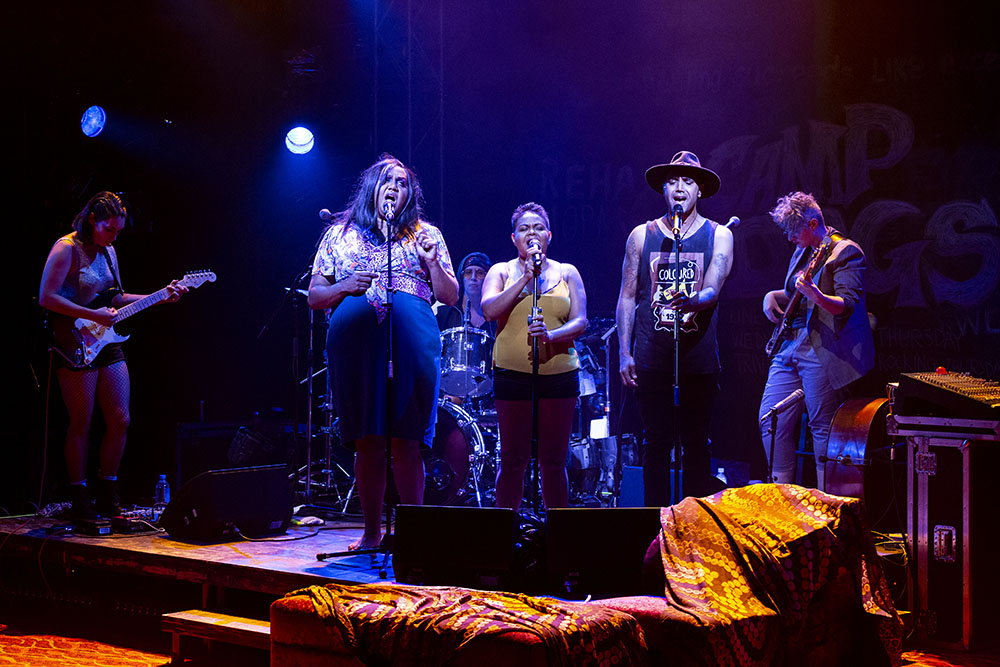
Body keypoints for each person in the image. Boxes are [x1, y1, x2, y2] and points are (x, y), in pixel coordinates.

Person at [308, 154, 458, 550]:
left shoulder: (426, 234)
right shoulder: (339, 235)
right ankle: (372, 532)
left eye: (405, 183)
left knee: (408, 440)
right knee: (368, 439)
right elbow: (315, 295)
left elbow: (450, 295)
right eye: (390, 180)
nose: (397, 187)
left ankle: (416, 534)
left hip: (413, 344)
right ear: (373, 187)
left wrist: (433, 264)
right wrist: (344, 287)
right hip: (356, 349)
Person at [39, 191, 188, 521]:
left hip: (106, 340)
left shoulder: (109, 250)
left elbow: (115, 297)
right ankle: (80, 496)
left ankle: (107, 492)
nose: (113, 236)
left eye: (118, 231)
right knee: (82, 420)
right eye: (109, 229)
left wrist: (159, 297)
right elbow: (46, 297)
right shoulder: (67, 248)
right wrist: (91, 316)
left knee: (120, 418)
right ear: (92, 219)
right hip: (74, 339)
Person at [616, 151, 734, 506]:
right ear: (663, 190)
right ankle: (655, 532)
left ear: (700, 190)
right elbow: (627, 296)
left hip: (697, 361)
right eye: (672, 181)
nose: (679, 188)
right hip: (652, 357)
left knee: (697, 443)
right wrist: (624, 352)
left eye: (687, 181)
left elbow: (714, 286)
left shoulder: (720, 235)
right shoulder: (642, 235)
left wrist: (695, 299)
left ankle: (695, 534)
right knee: (655, 444)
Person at [758, 192, 874, 490]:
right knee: (771, 419)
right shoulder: (803, 250)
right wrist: (772, 296)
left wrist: (817, 295)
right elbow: (795, 294)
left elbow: (846, 304)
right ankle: (780, 496)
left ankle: (826, 506)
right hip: (789, 345)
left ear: (812, 223)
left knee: (821, 427)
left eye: (794, 231)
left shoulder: (846, 252)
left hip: (820, 348)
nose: (790, 238)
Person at [481, 202, 586, 510]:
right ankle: (505, 532)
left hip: (559, 374)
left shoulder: (568, 272)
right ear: (513, 238)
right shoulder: (501, 271)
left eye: (538, 227)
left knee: (554, 460)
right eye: (524, 228)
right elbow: (489, 309)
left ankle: (558, 535)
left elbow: (581, 320)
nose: (532, 233)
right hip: (512, 375)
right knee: (513, 458)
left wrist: (552, 335)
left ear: (549, 235)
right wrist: (526, 277)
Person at [436, 252, 496, 337]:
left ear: (487, 278)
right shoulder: (445, 311)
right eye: (468, 272)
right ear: (461, 278)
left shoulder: (496, 315)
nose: (473, 278)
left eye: (480, 273)